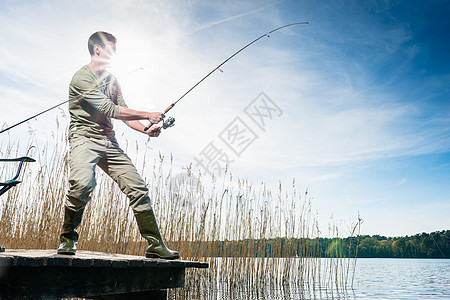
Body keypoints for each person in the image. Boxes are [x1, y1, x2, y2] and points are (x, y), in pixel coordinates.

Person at [57, 31, 179, 260]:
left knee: (138, 189)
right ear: (97, 49)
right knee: (83, 185)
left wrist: (146, 128)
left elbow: (124, 113)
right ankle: (67, 238)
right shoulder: (80, 78)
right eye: (111, 47)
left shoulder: (113, 80)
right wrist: (148, 113)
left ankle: (156, 245)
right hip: (83, 138)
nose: (115, 52)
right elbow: (109, 110)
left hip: (109, 141)